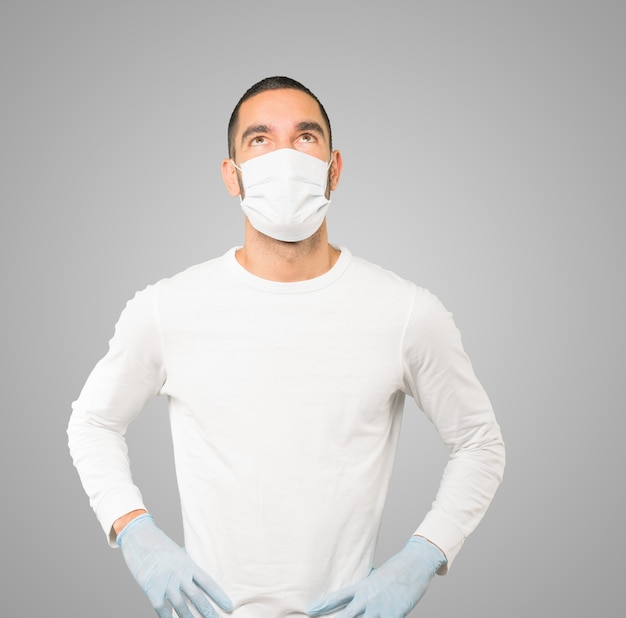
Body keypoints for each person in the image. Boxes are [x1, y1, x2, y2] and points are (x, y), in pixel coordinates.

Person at [68, 76, 505, 618]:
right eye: (259, 140)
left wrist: (422, 555)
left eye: (304, 138)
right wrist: (135, 532)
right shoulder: (169, 307)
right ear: (232, 176)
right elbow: (93, 423)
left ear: (334, 168)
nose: (284, 157)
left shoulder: (405, 312)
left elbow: (479, 443)